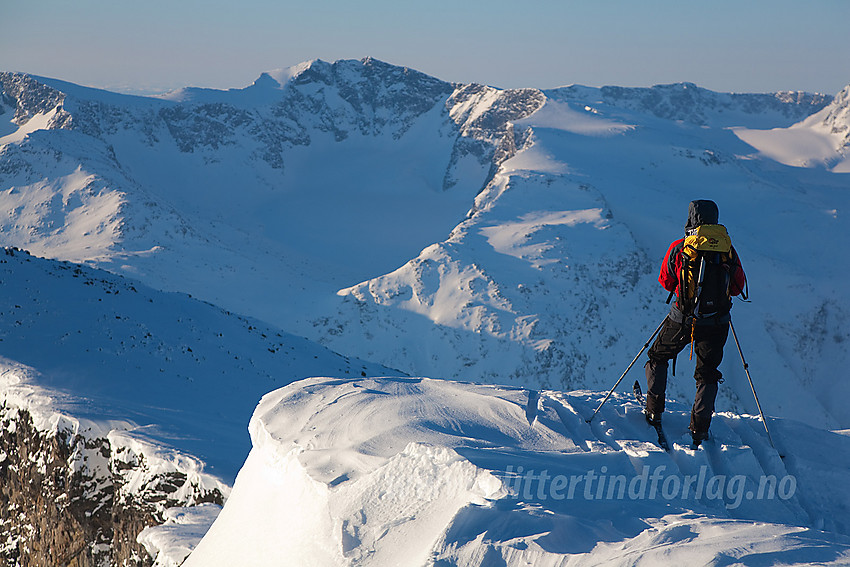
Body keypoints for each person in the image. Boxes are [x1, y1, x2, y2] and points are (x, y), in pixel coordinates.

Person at [644, 199, 747, 447]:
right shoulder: (727, 250)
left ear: (690, 219)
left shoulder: (680, 248)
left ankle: (654, 410)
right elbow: (737, 286)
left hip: (682, 318)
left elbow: (666, 282)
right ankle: (700, 429)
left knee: (658, 356)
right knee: (707, 374)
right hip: (716, 323)